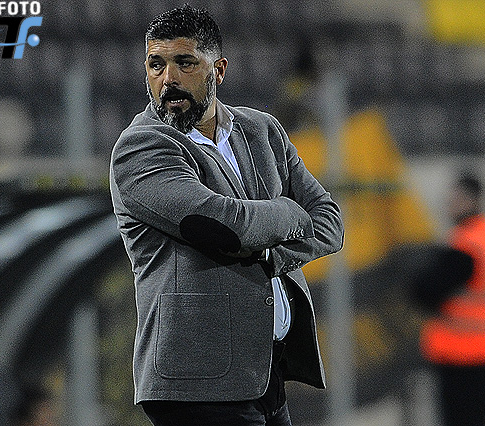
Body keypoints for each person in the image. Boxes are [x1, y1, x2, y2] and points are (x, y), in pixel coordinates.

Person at [109, 5, 344, 426]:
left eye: (185, 63)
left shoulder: (262, 130)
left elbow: (329, 221)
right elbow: (225, 227)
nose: (168, 78)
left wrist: (270, 253)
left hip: (265, 373)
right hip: (197, 382)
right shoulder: (142, 146)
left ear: (217, 70)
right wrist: (287, 212)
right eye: (156, 65)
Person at [416, 171, 485, 426]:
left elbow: (426, 290)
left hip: (464, 355)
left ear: (472, 201)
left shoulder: (466, 245)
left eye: (455, 199)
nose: (449, 206)